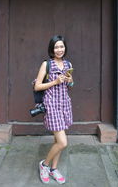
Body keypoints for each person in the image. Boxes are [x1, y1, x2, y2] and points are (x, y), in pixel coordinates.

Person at [34, 35, 74, 184]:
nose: (59, 49)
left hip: (65, 105)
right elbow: (37, 86)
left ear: (65, 48)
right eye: (56, 47)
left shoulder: (68, 63)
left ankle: (53, 169)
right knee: (63, 142)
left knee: (57, 140)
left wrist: (70, 81)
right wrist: (55, 81)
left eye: (61, 46)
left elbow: (70, 85)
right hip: (52, 105)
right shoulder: (47, 65)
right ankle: (44, 165)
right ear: (52, 49)